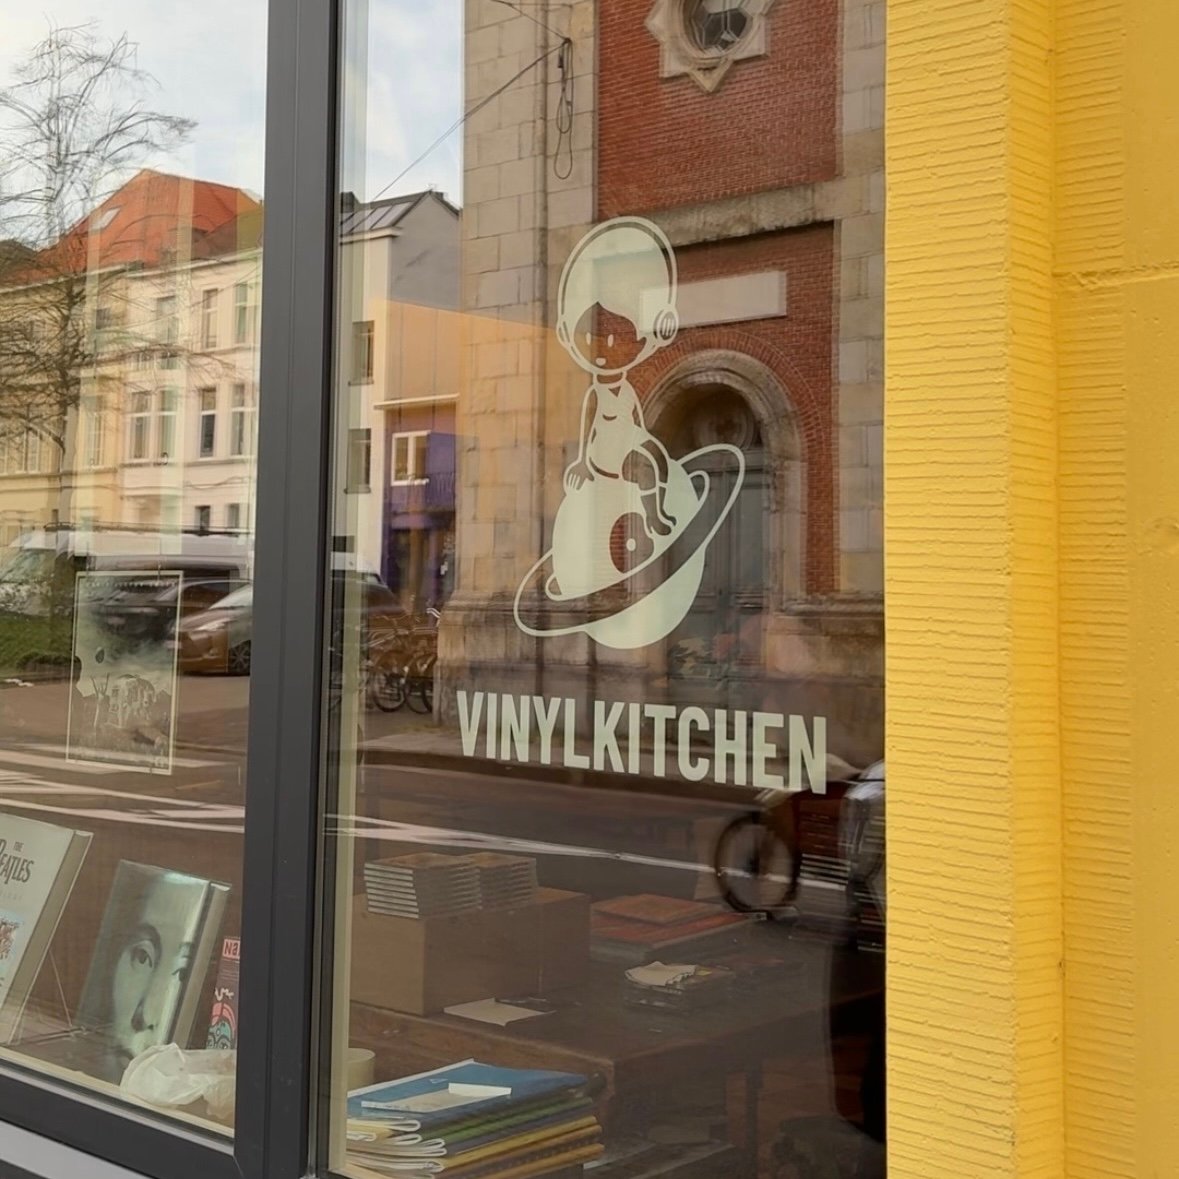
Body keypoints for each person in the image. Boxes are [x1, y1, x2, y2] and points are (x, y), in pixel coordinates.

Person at [556, 217, 681, 540]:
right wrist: (582, 461)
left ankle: (654, 516)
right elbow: (587, 423)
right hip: (604, 451)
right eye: (593, 340)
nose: (602, 353)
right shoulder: (597, 391)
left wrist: (650, 442)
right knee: (633, 477)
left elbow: (638, 419)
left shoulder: (625, 389)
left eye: (616, 341)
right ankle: (630, 525)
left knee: (652, 464)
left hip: (627, 443)